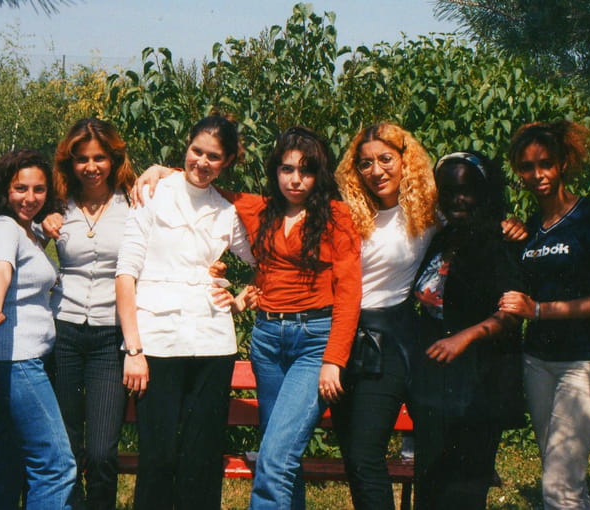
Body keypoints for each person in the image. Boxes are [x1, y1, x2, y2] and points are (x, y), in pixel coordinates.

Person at [135, 126, 362, 510]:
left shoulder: (337, 217)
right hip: (268, 341)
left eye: (306, 171)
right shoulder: (258, 209)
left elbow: (350, 294)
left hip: (314, 341)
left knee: (274, 458)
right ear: (275, 170)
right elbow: (204, 182)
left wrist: (334, 360)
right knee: (282, 453)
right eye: (287, 169)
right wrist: (163, 170)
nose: (295, 179)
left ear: (319, 174)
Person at [115, 114, 255, 510]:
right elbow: (126, 275)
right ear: (186, 147)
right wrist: (134, 349)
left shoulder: (226, 211)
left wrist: (241, 298)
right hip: (157, 343)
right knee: (158, 457)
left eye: (214, 156)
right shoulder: (152, 193)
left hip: (213, 343)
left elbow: (267, 260)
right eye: (197, 151)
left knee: (202, 459)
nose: (202, 162)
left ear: (227, 161)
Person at [499, 121, 590, 510]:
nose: (537, 174)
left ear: (564, 164)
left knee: (559, 484)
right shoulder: (531, 229)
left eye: (546, 163)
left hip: (586, 362)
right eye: (526, 167)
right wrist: (510, 238)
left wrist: (539, 310)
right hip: (538, 362)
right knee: (563, 476)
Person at [331, 122, 438, 510]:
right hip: (341, 338)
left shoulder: (429, 212)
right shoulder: (347, 213)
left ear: (406, 160)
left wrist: (511, 227)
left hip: (388, 340)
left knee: (365, 454)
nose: (376, 170)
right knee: (354, 459)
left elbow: (479, 219)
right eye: (365, 163)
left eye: (385, 159)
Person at [410, 151, 525, 510]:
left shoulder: (500, 240)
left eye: (467, 190)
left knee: (464, 486)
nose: (457, 199)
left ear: (483, 192)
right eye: (449, 191)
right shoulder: (439, 240)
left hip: (479, 378)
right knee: (429, 477)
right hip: (435, 377)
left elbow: (512, 313)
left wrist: (466, 336)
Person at [0, 149, 76, 510]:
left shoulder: (28, 231)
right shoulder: (5, 227)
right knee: (56, 465)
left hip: (18, 360)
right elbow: (0, 268)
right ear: (5, 189)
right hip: (18, 360)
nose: (30, 198)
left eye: (39, 189)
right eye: (20, 188)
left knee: (5, 459)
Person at [42, 118, 136, 509]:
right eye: (82, 159)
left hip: (109, 337)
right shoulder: (56, 205)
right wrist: (43, 222)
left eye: (100, 158)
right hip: (63, 332)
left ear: (114, 159)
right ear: (70, 162)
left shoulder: (134, 202)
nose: (91, 167)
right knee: (65, 446)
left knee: (100, 452)